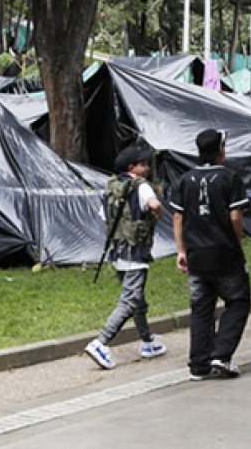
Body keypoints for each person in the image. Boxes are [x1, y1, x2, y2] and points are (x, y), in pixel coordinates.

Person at [169, 129, 250, 380]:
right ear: (220, 151)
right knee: (238, 301)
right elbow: (235, 215)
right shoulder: (229, 178)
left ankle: (198, 365)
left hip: (196, 256)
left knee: (201, 308)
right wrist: (235, 240)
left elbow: (178, 217)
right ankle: (221, 355)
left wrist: (181, 250)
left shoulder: (185, 180)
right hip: (225, 254)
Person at [85, 145, 166, 370]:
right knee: (130, 301)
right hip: (135, 253)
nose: (148, 168)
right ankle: (101, 342)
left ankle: (148, 342)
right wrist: (157, 214)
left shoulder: (112, 186)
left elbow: (104, 217)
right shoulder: (142, 187)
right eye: (144, 164)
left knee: (137, 300)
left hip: (117, 252)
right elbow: (155, 204)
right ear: (133, 167)